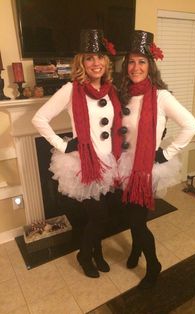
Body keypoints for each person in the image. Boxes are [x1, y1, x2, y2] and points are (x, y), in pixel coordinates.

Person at [32, 29, 122, 278]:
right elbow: (39, 119)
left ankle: (98, 252)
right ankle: (84, 255)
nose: (96, 63)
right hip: (86, 163)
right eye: (90, 58)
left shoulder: (110, 91)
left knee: (101, 216)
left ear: (106, 62)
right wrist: (62, 145)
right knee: (99, 217)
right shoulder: (71, 90)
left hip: (108, 161)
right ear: (82, 62)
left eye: (100, 57)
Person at [118, 30, 195, 289]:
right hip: (124, 166)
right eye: (131, 62)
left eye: (142, 62)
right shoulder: (123, 93)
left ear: (150, 66)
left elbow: (191, 125)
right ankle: (135, 251)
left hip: (146, 169)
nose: (136, 67)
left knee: (137, 221)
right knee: (132, 217)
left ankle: (153, 264)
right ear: (125, 66)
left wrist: (166, 152)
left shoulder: (161, 96)